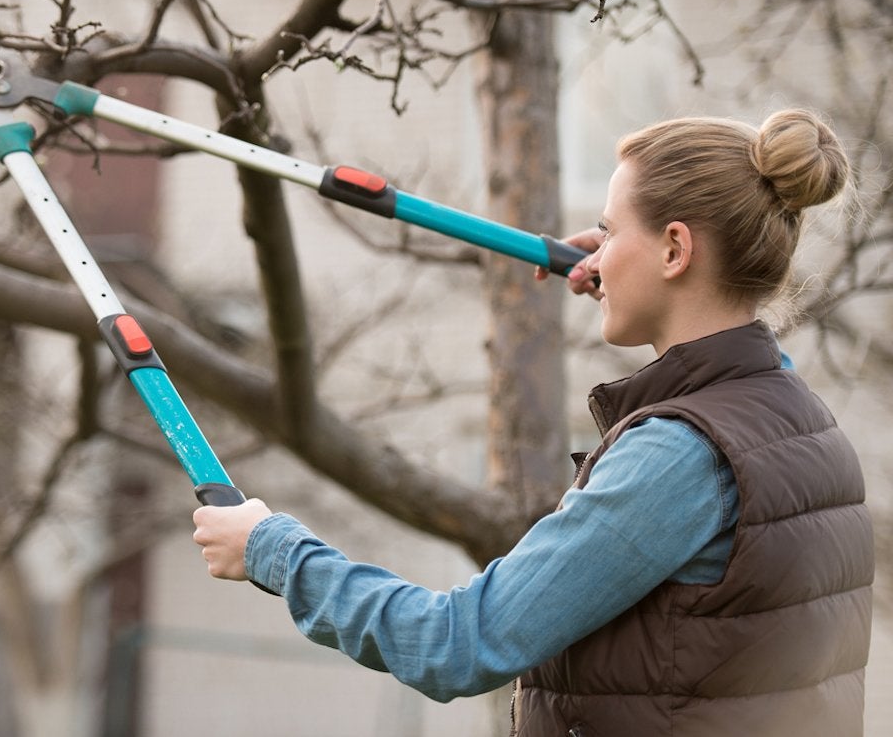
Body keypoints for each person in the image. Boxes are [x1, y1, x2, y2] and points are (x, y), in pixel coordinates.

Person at [192, 109, 874, 737]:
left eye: (609, 230)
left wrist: (272, 550)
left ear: (674, 250)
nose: (596, 252)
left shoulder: (677, 455)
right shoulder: (801, 423)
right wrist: (625, 268)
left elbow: (457, 644)